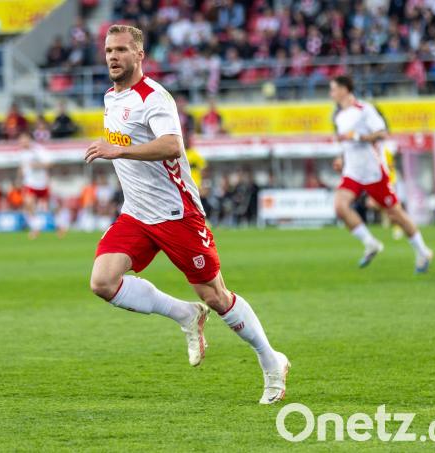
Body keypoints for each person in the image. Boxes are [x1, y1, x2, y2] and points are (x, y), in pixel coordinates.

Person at [85, 25, 288, 404]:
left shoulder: (154, 98)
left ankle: (271, 360)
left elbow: (173, 145)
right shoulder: (110, 97)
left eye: (122, 50)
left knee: (216, 295)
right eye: (109, 50)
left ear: (139, 55)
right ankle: (183, 315)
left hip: (176, 213)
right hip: (137, 214)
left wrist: (119, 151)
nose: (113, 57)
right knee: (103, 282)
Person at [329, 75, 433, 273]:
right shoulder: (338, 116)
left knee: (396, 214)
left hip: (373, 171)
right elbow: (346, 144)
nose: (331, 93)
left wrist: (360, 136)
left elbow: (382, 133)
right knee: (340, 207)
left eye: (333, 89)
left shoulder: (364, 110)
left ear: (344, 89)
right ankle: (370, 243)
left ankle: (422, 250)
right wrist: (341, 159)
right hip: (352, 171)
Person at [19, 132, 51, 239]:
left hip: (42, 183)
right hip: (30, 183)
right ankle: (36, 227)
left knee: (50, 207)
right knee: (28, 203)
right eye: (21, 140)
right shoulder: (23, 153)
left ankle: (61, 225)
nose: (22, 142)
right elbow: (24, 166)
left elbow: (49, 163)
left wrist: (37, 165)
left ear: (29, 140)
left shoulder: (38, 150)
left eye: (24, 140)